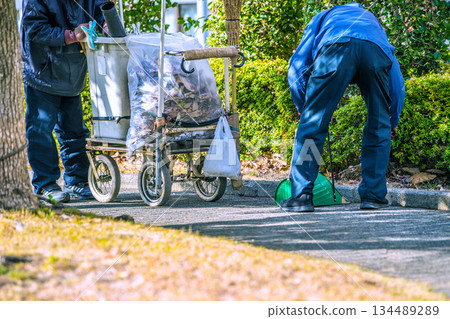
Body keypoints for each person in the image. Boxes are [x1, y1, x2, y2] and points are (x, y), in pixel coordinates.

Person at [281, 3, 405, 212]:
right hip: (374, 52)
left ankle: (302, 196)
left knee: (312, 126)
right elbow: (396, 83)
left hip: (335, 47)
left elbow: (297, 66)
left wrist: (305, 108)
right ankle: (373, 197)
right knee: (378, 125)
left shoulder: (323, 17)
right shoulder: (373, 22)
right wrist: (391, 119)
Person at [21, 0, 107, 203]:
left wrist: (106, 25)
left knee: (74, 131)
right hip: (42, 72)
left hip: (72, 71)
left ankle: (77, 180)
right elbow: (34, 28)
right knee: (41, 132)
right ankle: (45, 185)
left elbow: (101, 9)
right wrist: (71, 35)